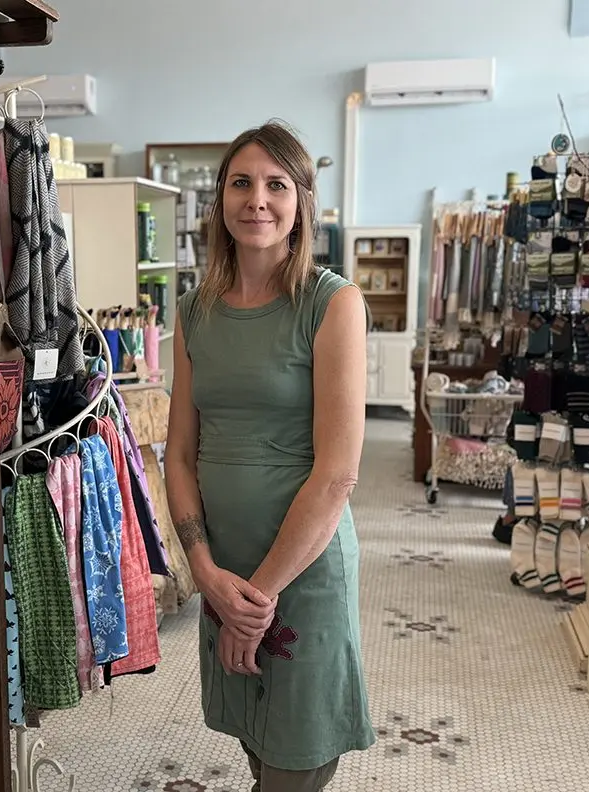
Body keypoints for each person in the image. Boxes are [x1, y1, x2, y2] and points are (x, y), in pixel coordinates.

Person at [164, 120, 375, 792]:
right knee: (256, 735)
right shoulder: (196, 311)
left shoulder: (331, 302)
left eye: (276, 184)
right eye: (241, 183)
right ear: (220, 201)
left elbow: (338, 473)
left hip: (301, 572)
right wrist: (206, 574)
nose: (257, 199)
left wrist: (257, 601)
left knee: (297, 760)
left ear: (301, 202)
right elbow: (178, 457)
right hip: (224, 569)